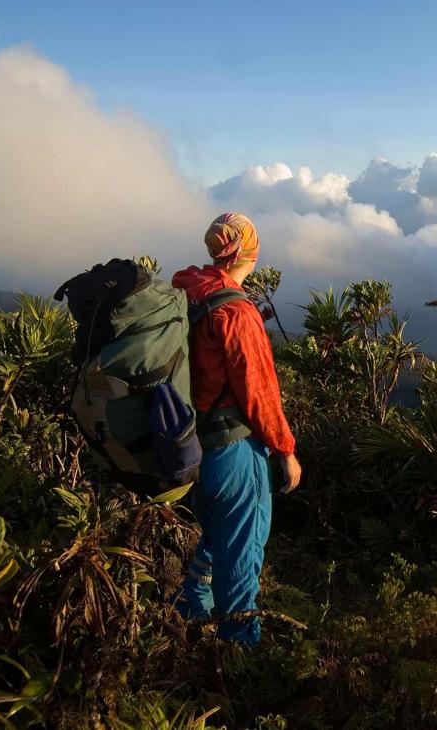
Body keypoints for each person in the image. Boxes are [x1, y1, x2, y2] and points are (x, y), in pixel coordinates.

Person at [171, 212, 302, 645]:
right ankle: (239, 649)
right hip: (233, 450)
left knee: (217, 531)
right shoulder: (235, 311)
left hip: (189, 443)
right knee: (243, 547)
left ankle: (191, 604)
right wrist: (285, 450)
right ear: (251, 251)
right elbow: (259, 393)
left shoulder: (186, 290)